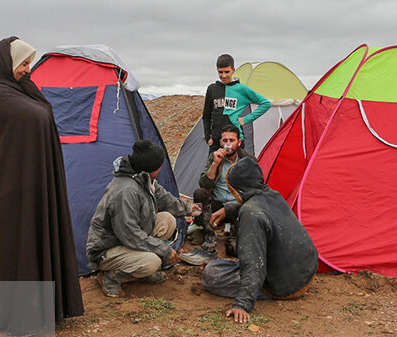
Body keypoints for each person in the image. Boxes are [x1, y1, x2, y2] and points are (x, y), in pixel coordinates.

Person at [0, 36, 83, 332]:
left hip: (32, 179)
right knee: (15, 244)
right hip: (10, 185)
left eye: (28, 63)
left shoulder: (17, 87)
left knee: (35, 236)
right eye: (23, 63)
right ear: (7, 62)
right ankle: (15, 315)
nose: (27, 69)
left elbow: (41, 111)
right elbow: (38, 114)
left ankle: (44, 309)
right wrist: (41, 111)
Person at [203, 157, 318, 323]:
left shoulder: (250, 214)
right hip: (305, 269)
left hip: (284, 285)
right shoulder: (273, 195)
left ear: (238, 189)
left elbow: (253, 264)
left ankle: (261, 293)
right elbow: (256, 202)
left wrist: (243, 304)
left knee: (212, 272)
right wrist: (228, 210)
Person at [87, 140, 196, 298]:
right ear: (153, 168)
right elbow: (129, 234)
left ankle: (139, 270)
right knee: (152, 262)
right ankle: (111, 276)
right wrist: (162, 249)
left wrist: (189, 209)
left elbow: (164, 199)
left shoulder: (143, 178)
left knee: (167, 220)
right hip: (107, 248)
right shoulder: (125, 191)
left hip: (126, 239)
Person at [180, 125, 253, 265]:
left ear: (239, 142)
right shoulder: (215, 157)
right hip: (216, 203)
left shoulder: (248, 161)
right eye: (225, 140)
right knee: (199, 193)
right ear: (220, 143)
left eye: (232, 140)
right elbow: (204, 184)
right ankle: (209, 234)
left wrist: (234, 206)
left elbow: (252, 190)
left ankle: (234, 233)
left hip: (236, 205)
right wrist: (215, 164)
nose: (228, 144)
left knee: (248, 208)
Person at [202, 54, 271, 152]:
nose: (223, 75)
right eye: (220, 72)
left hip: (235, 139)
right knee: (212, 167)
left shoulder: (241, 89)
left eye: (227, 72)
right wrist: (208, 137)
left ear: (233, 70)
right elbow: (206, 115)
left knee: (236, 167)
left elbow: (266, 103)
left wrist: (246, 119)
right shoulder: (212, 89)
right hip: (216, 141)